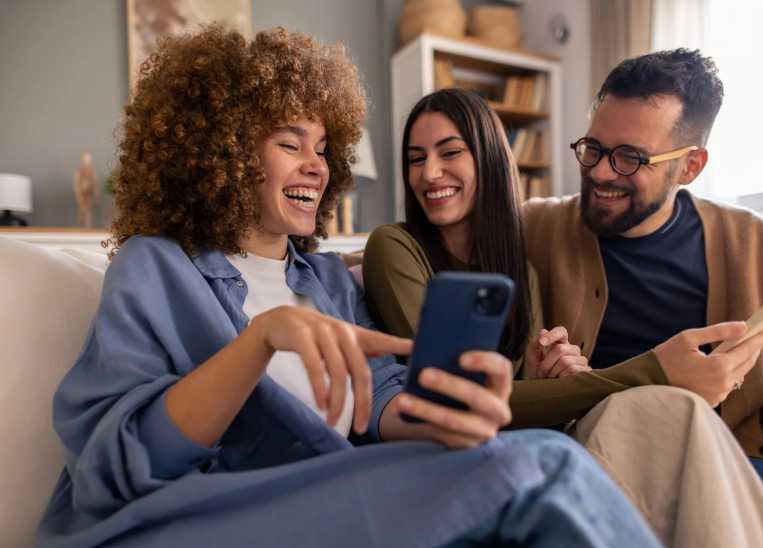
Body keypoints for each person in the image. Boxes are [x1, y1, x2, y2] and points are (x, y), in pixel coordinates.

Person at [34, 26, 665, 548]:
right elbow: (117, 465)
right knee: (545, 469)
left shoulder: (328, 281)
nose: (318, 164)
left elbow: (385, 404)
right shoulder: (156, 267)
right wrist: (257, 343)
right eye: (290, 143)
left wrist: (454, 415)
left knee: (536, 459)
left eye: (324, 148)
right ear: (220, 153)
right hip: (183, 518)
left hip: (329, 499)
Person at [362, 87, 763, 545]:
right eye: (415, 158)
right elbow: (462, 403)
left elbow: (527, 399)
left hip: (582, 436)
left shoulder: (521, 266)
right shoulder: (397, 247)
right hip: (483, 457)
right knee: (669, 404)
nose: (429, 173)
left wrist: (554, 379)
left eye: (450, 153)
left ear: (690, 166)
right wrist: (655, 370)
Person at [521, 48, 763, 522]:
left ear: (690, 167)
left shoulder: (761, 243)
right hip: (621, 451)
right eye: (593, 148)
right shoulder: (533, 227)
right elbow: (401, 250)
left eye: (629, 158)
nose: (600, 172)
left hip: (743, 447)